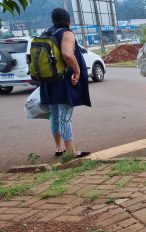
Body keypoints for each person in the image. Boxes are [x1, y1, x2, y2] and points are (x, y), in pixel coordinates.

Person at [39, 8, 91, 158]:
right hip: (62, 82)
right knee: (65, 117)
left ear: (54, 20)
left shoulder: (47, 33)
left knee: (54, 116)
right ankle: (70, 151)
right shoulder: (66, 33)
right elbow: (67, 54)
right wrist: (77, 70)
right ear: (68, 20)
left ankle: (59, 148)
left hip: (49, 81)